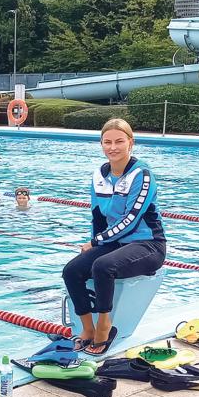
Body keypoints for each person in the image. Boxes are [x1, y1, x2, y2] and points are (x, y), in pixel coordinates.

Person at [62, 119, 166, 356]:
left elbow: (131, 219)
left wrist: (96, 243)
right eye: (107, 142)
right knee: (72, 270)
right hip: (114, 243)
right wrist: (94, 243)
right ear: (101, 144)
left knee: (103, 266)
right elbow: (97, 217)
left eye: (119, 141)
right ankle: (86, 328)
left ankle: (104, 326)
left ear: (131, 143)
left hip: (149, 244)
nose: (113, 147)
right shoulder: (99, 174)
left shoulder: (142, 174)